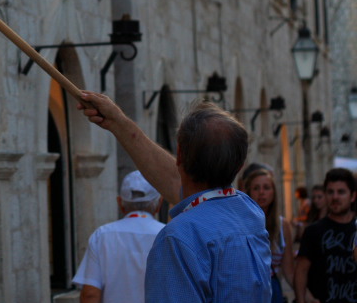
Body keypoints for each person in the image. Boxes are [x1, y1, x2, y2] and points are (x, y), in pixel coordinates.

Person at [79, 92, 272, 303]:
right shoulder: (250, 213)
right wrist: (118, 122)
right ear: (240, 166)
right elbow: (178, 182)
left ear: (179, 154)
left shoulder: (178, 238)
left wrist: (119, 121)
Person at [72, 170, 165, 303]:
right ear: (159, 204)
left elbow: (90, 295)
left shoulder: (102, 236)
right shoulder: (168, 235)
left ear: (120, 203)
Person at [294, 168, 357, 303]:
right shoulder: (313, 231)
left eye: (341, 192)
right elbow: (301, 271)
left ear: (353, 196)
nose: (335, 197)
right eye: (330, 192)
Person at [243, 168, 294, 303]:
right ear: (248, 192)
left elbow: (288, 270)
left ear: (274, 193)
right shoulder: (241, 224)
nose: (261, 192)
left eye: (266, 188)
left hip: (272, 288)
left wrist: (304, 295)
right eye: (256, 188)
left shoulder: (283, 225)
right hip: (246, 289)